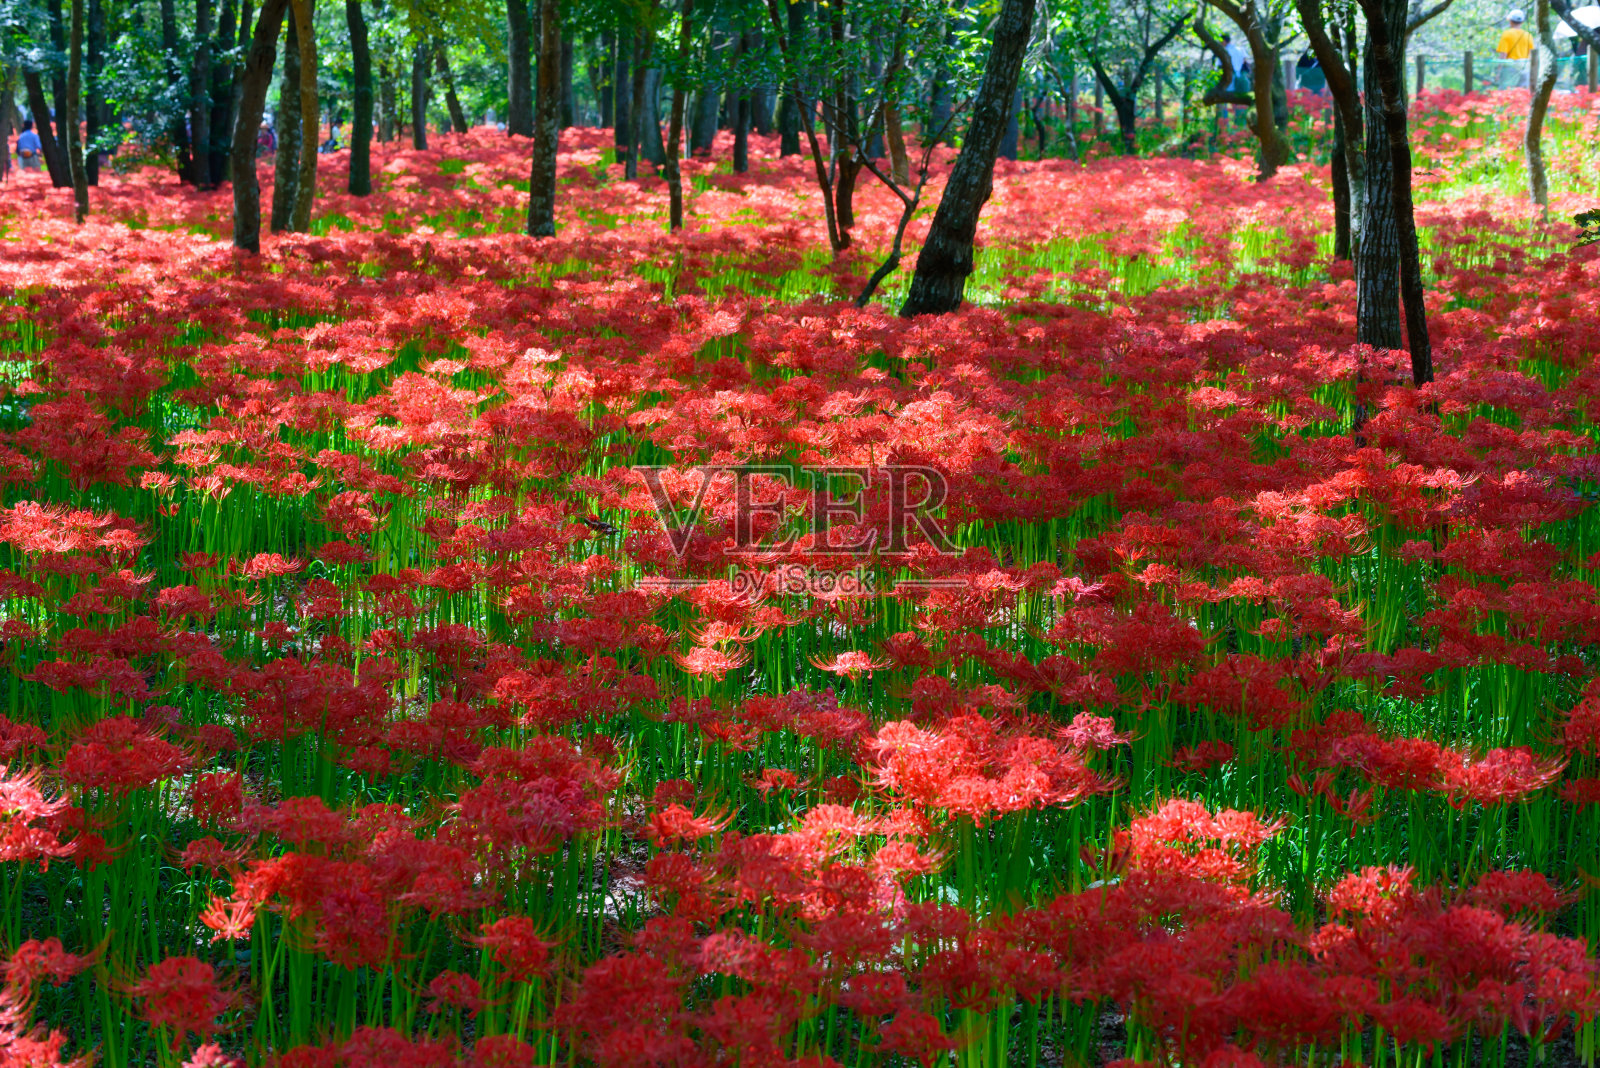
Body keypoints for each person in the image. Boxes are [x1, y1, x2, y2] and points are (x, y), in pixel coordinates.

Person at [1496, 9, 1535, 87]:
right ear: (1522, 22)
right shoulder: (1528, 35)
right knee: (1522, 92)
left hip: (1510, 67)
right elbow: (1531, 55)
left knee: (1506, 91)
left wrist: (1498, 71)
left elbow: (1503, 54)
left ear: (1510, 21)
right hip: (1524, 68)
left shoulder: (1507, 34)